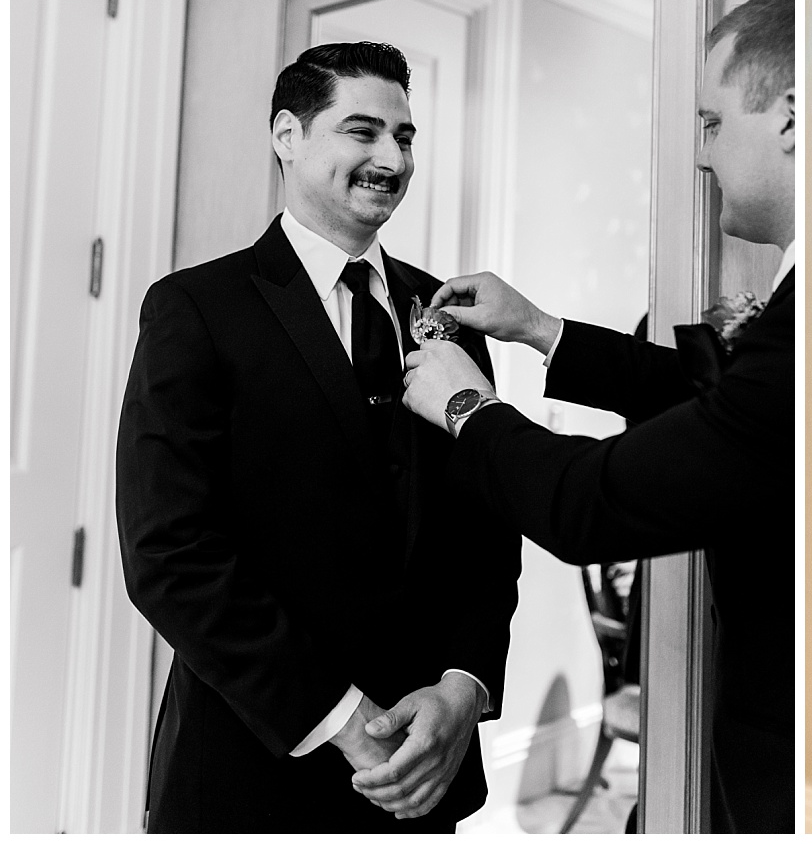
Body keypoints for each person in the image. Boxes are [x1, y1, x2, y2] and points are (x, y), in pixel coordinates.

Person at [399, 0, 796, 833]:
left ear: (791, 116)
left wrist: (464, 400)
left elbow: (590, 502)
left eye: (714, 122)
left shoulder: (806, 317)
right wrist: (538, 327)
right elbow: (717, 401)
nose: (701, 154)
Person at [116, 42, 521, 832]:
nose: (391, 158)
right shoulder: (196, 309)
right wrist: (342, 720)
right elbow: (169, 554)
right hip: (254, 763)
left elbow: (485, 533)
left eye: (404, 138)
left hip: (423, 768)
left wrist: (463, 687)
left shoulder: (452, 318)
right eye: (361, 131)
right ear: (286, 136)